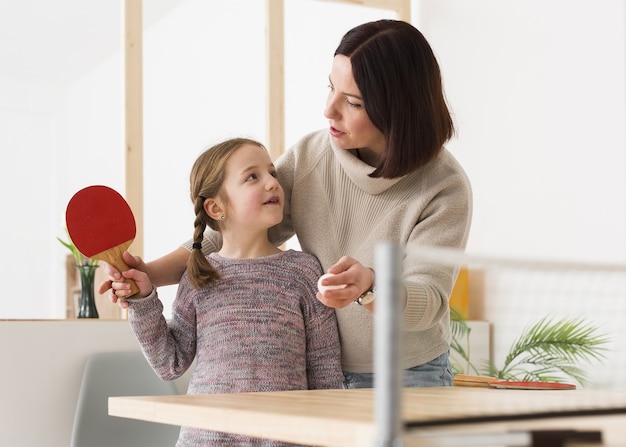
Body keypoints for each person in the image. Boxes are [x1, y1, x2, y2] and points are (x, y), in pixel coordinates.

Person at [103, 19, 472, 389]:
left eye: (353, 102)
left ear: (399, 110)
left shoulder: (443, 187)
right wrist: (151, 274)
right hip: (317, 375)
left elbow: (430, 301)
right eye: (330, 87)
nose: (329, 110)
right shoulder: (313, 154)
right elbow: (230, 231)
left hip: (406, 376)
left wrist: (371, 286)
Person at [117, 138, 343, 446]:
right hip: (205, 439)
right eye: (253, 176)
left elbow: (325, 373)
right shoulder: (198, 277)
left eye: (272, 173)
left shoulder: (303, 272)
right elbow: (170, 363)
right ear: (216, 207)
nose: (272, 183)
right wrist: (143, 302)